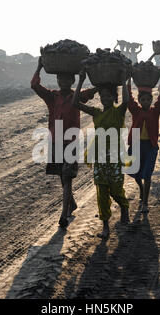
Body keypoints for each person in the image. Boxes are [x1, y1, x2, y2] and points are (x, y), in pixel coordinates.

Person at [31, 57, 97, 228]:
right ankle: (72, 203)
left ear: (72, 81)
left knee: (67, 178)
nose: (64, 82)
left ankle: (64, 214)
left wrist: (92, 77)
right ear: (58, 80)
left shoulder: (77, 96)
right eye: (61, 79)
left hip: (71, 142)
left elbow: (91, 91)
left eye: (68, 79)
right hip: (55, 141)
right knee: (62, 175)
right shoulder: (52, 97)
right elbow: (34, 86)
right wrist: (39, 68)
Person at [72, 68, 130, 240]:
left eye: (108, 96)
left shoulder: (118, 112)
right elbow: (75, 103)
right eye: (102, 96)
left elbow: (126, 99)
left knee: (116, 188)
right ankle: (105, 225)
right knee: (101, 192)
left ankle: (124, 206)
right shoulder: (96, 113)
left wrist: (125, 80)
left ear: (114, 98)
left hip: (115, 157)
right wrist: (81, 80)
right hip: (99, 157)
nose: (105, 98)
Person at [126, 73, 160, 213]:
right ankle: (141, 189)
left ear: (151, 100)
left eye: (147, 99)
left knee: (147, 174)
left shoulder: (155, 112)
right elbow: (128, 99)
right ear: (139, 100)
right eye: (142, 99)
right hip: (136, 146)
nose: (145, 102)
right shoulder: (135, 111)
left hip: (150, 146)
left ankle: (145, 202)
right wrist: (128, 80)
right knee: (136, 173)